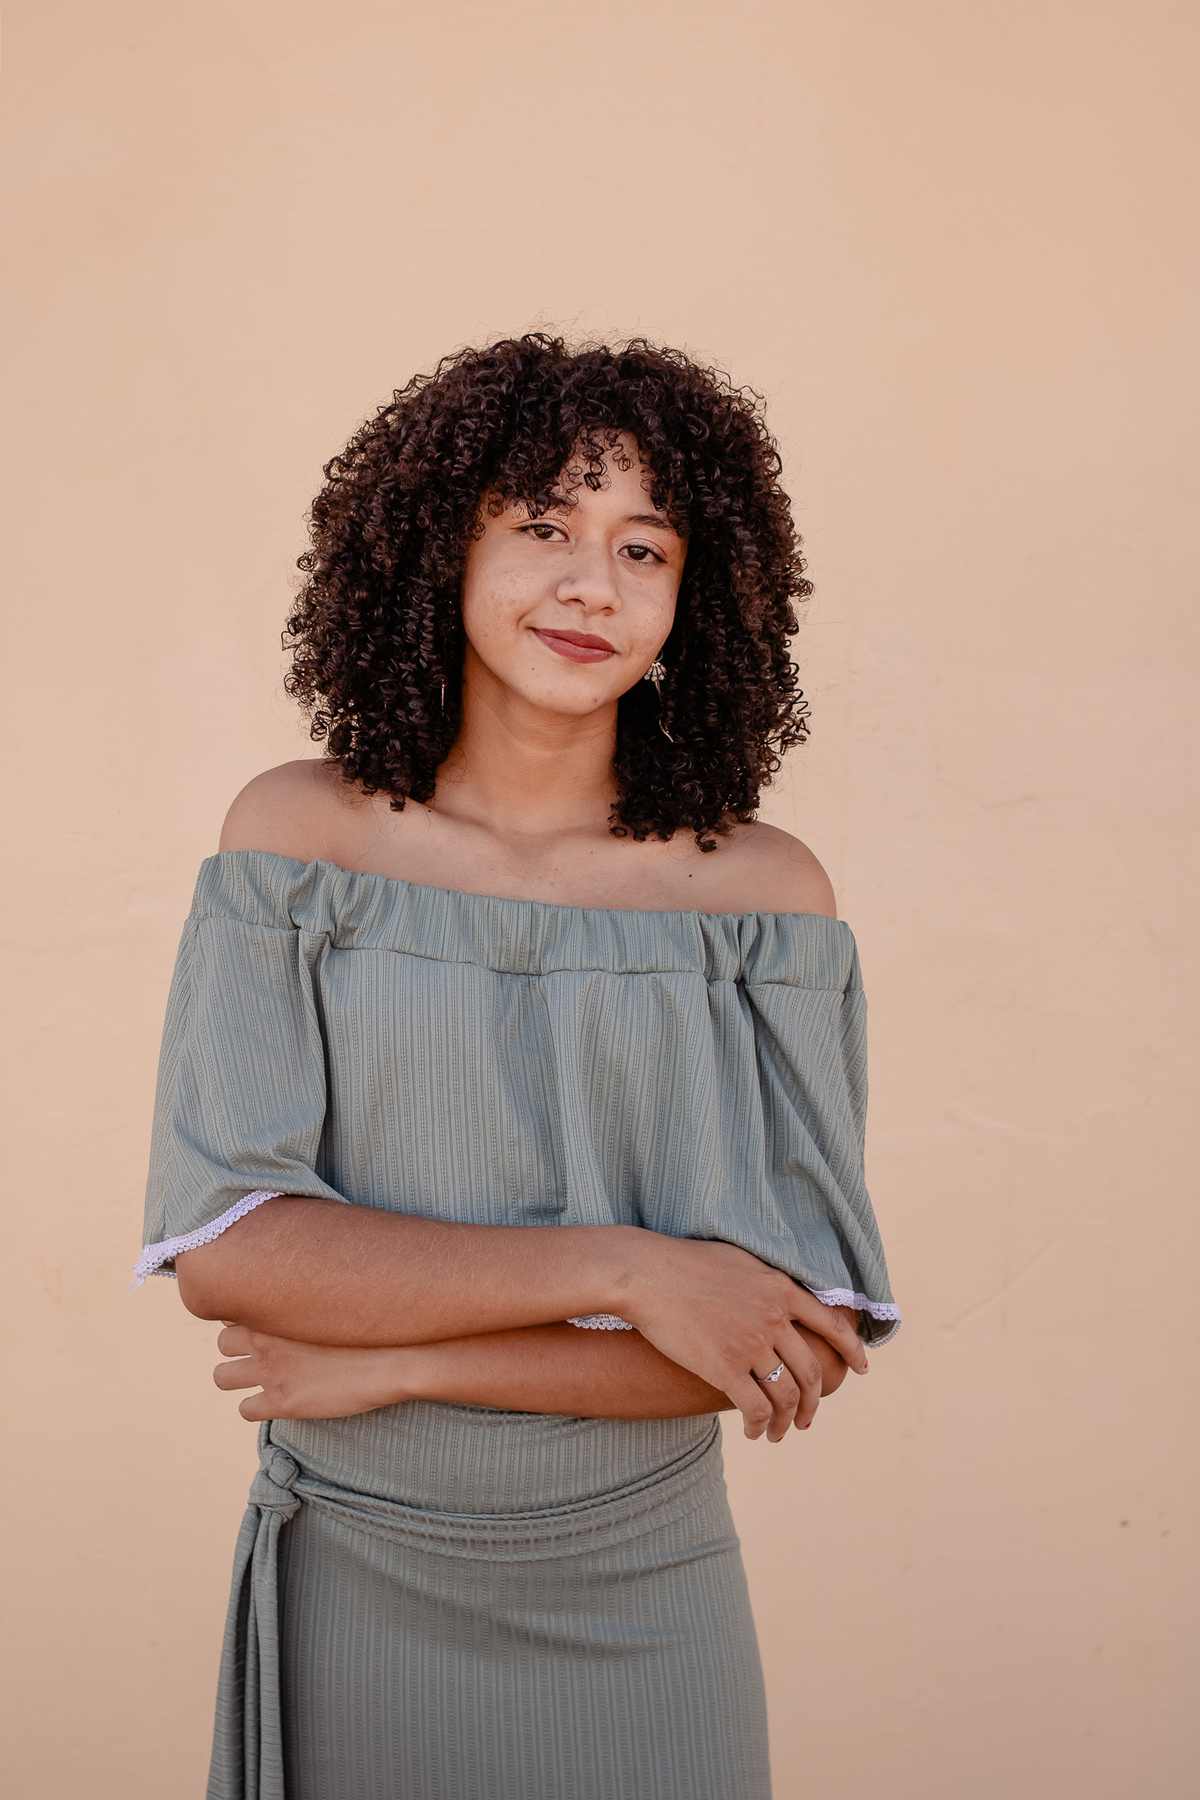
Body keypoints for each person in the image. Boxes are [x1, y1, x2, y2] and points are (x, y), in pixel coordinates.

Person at [135, 335, 900, 1800]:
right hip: (358, 1573)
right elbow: (236, 1248)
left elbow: (785, 1343)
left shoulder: (764, 902)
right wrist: (630, 1272)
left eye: (644, 547)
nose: (590, 585)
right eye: (543, 526)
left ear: (697, 596)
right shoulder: (301, 844)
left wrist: (414, 1356)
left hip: (648, 1592)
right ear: (443, 547)